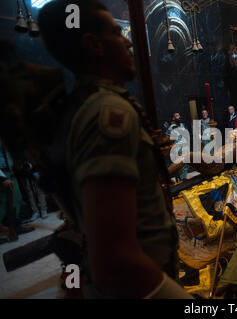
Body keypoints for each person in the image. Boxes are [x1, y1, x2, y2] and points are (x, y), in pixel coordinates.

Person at [37, 0, 191, 298]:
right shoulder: (106, 114)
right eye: (116, 33)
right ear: (94, 45)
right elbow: (114, 260)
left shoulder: (86, 106)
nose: (128, 41)